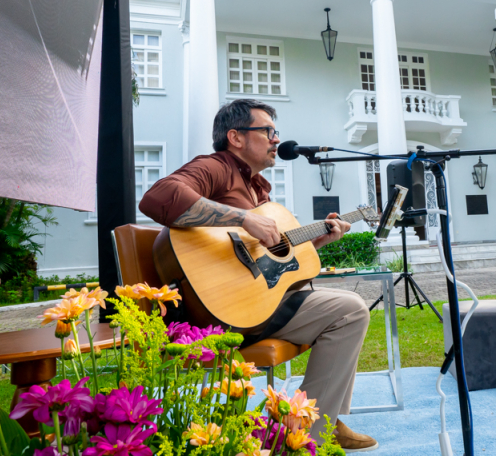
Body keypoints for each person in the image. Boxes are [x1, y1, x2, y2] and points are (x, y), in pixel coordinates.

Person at [139, 99, 378, 452]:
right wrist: (241, 218)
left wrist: (318, 241)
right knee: (350, 310)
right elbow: (157, 197)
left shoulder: (259, 188)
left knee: (348, 309)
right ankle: (305, 435)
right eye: (267, 131)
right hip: (219, 311)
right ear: (235, 137)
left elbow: (269, 258)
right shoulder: (215, 167)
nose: (275, 139)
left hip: (256, 301)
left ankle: (319, 419)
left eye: (275, 132)